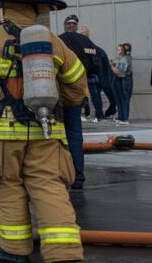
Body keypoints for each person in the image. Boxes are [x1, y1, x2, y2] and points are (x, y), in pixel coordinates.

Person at [0, 0, 87, 263]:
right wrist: (59, 105)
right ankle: (63, 255)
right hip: (48, 132)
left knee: (7, 187)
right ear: (36, 9)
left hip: (4, 134)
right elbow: (77, 84)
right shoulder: (53, 43)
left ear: (4, 6)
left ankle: (15, 249)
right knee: (49, 188)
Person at [57, 14, 101, 190]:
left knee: (57, 137)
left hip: (59, 94)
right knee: (75, 136)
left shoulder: (57, 41)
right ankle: (78, 177)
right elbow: (95, 63)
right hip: (77, 92)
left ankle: (59, 175)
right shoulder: (87, 42)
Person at [80, 27, 116, 119]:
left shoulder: (96, 50)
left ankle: (103, 114)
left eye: (84, 32)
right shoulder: (97, 50)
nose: (82, 34)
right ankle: (101, 115)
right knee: (97, 99)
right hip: (96, 77)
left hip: (100, 77)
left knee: (109, 99)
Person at [111, 43, 133, 125]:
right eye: (118, 50)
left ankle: (124, 118)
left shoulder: (125, 58)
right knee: (119, 100)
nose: (119, 51)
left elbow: (119, 71)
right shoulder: (119, 58)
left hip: (124, 80)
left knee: (124, 99)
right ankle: (121, 117)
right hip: (119, 80)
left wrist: (111, 66)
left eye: (121, 50)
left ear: (124, 51)